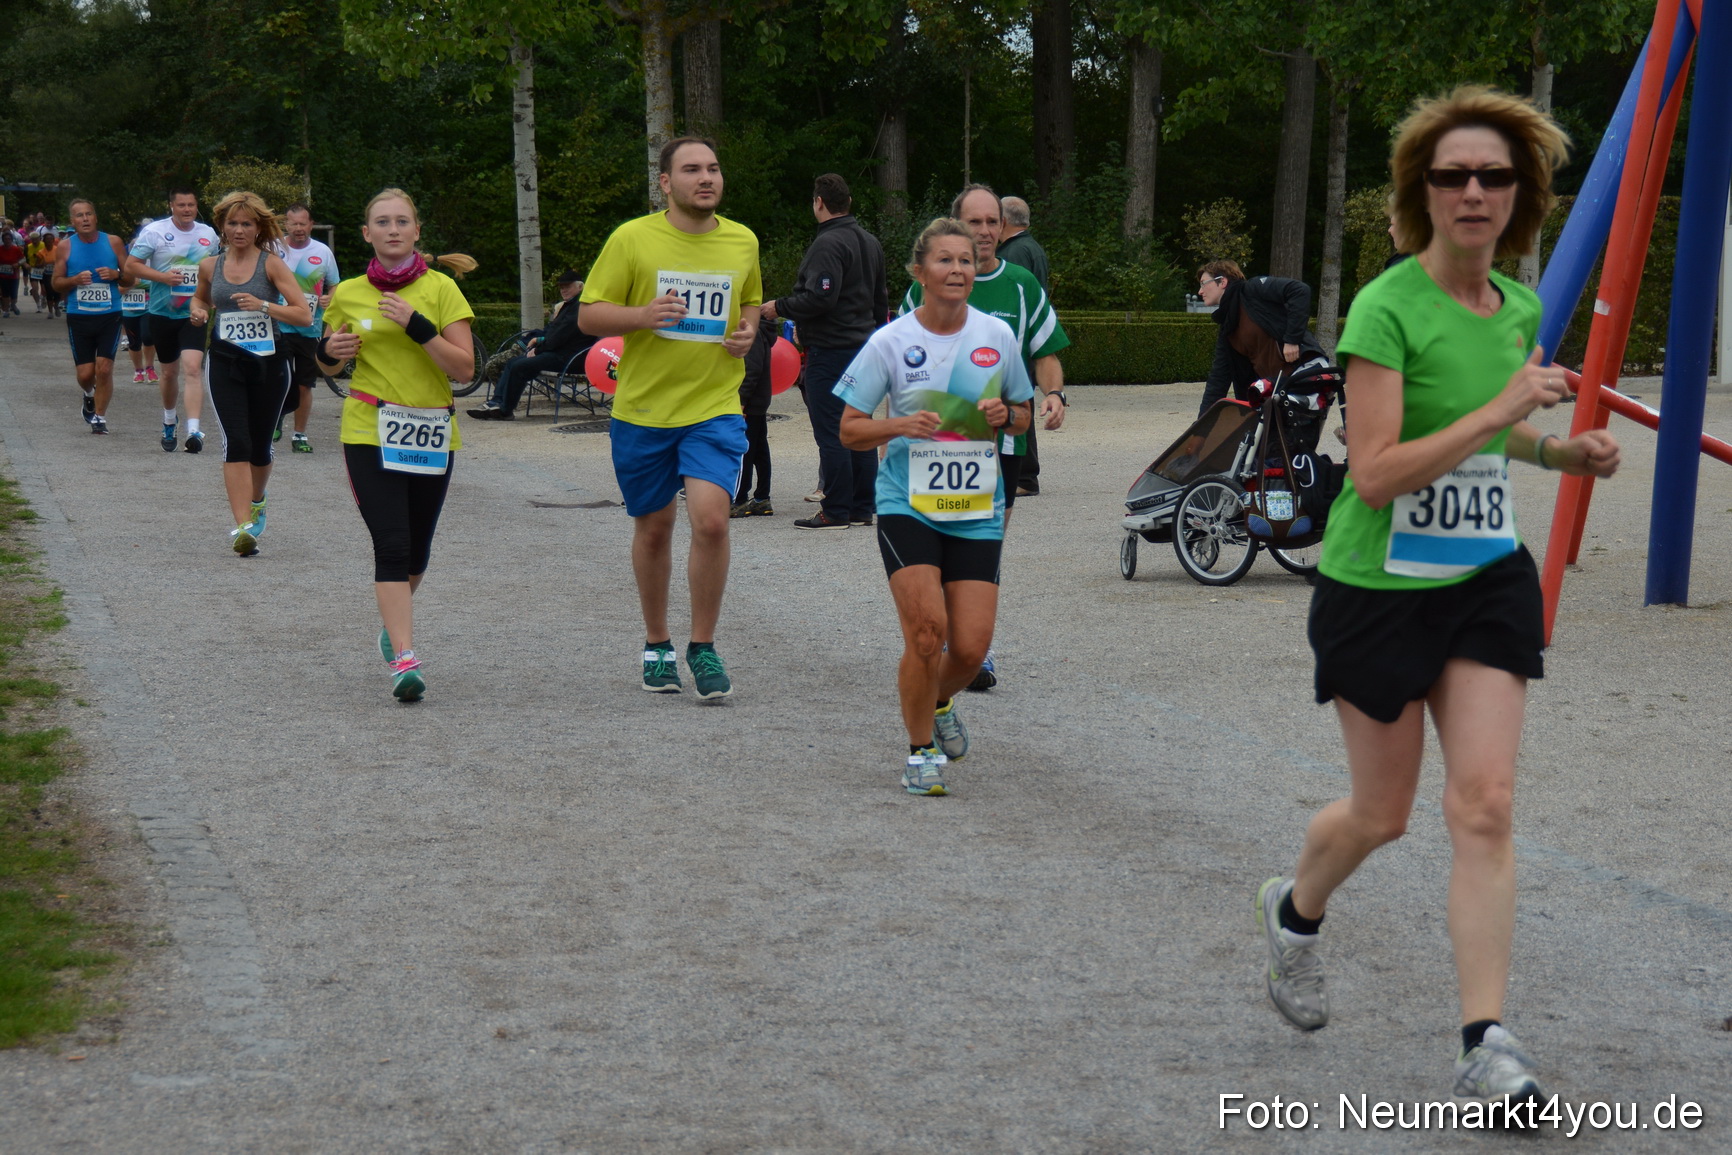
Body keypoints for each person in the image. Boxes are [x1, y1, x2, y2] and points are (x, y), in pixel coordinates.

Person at [1255, 87, 1620, 1111]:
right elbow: (1372, 473)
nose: (1472, 191)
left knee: (1486, 804)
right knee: (1383, 814)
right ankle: (1294, 911)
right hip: (1376, 586)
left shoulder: (1515, 308)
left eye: (1493, 176)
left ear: (1522, 195)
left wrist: (1551, 447)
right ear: (1424, 192)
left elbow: (1480, 427)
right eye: (1452, 175)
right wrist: (1510, 407)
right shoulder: (1384, 306)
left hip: (1481, 579)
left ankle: (1484, 1045)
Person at [837, 218, 1033, 795]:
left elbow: (1021, 412)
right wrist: (901, 424)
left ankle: (942, 699)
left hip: (976, 506)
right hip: (909, 503)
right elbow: (849, 430)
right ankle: (920, 752)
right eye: (945, 261)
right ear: (919, 272)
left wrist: (1008, 417)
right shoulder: (890, 341)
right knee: (927, 634)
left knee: (969, 649)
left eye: (966, 261)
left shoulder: (996, 335)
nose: (957, 270)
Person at [578, 136, 761, 701]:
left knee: (711, 520)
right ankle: (657, 643)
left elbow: (751, 299)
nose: (705, 178)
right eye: (691, 170)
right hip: (644, 410)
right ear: (665, 182)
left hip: (713, 407)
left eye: (712, 168)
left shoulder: (742, 240)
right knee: (654, 528)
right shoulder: (632, 238)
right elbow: (587, 315)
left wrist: (748, 331)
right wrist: (642, 315)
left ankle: (702, 646)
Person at [900, 184, 1070, 690]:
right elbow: (901, 355)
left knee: (982, 546)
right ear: (956, 226)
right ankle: (944, 639)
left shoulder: (1020, 285)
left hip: (1003, 445)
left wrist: (1056, 396)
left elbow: (1046, 351)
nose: (986, 232)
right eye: (974, 222)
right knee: (941, 542)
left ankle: (974, 647)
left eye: (992, 222)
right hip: (938, 441)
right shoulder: (926, 285)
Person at [318, 188, 476, 703]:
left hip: (430, 429)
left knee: (417, 551)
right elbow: (327, 364)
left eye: (401, 221)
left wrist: (418, 327)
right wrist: (330, 352)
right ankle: (405, 658)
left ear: (415, 232)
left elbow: (464, 369)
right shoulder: (347, 293)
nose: (391, 229)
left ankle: (394, 622)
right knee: (390, 544)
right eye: (381, 222)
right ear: (367, 234)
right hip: (369, 428)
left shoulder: (442, 290)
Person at [760, 173, 888, 531]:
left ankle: (835, 510)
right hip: (864, 347)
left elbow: (821, 296)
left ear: (819, 202)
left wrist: (779, 306)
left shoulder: (828, 244)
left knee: (833, 430)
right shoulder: (870, 242)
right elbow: (881, 301)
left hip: (831, 350)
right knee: (860, 425)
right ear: (848, 202)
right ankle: (863, 507)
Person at [186, 192, 311, 555]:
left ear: (258, 228)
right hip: (225, 360)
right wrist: (197, 311)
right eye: (233, 223)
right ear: (222, 227)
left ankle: (257, 499)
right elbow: (200, 297)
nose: (239, 230)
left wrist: (265, 305)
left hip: (270, 362)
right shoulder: (210, 265)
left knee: (260, 446)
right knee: (235, 441)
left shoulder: (271, 265)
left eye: (247, 223)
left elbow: (303, 314)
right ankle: (243, 529)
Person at [126, 189, 219, 453]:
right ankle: (169, 419)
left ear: (196, 206)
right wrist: (163, 277)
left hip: (194, 313)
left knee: (192, 369)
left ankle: (193, 430)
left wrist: (212, 294)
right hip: (161, 312)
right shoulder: (155, 232)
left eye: (191, 205)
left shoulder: (207, 234)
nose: (187, 209)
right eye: (181, 205)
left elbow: (214, 267)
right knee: (169, 372)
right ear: (171, 206)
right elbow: (132, 265)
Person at [1195, 260, 1329, 416]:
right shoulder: (1228, 329)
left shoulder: (1253, 289)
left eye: (1204, 283)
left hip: (1305, 368)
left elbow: (1299, 290)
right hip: (1277, 388)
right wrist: (1200, 431)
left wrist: (1292, 340)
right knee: (1257, 437)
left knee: (1289, 426)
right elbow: (1218, 381)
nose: (1200, 291)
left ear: (1222, 281)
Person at [49, 199, 135, 435]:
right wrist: (74, 280)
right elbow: (56, 283)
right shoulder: (66, 247)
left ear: (96, 217)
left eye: (88, 214)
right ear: (73, 222)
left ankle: (99, 417)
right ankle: (89, 393)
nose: (85, 219)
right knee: (86, 374)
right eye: (79, 215)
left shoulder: (113, 242)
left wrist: (116, 274)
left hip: (111, 314)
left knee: (105, 368)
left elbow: (131, 278)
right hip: (79, 316)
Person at [467, 269, 593, 420]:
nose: (563, 290)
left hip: (572, 358)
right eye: (561, 287)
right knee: (514, 362)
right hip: (561, 353)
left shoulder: (578, 307)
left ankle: (505, 411)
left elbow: (559, 337)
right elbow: (553, 334)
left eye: (567, 286)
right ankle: (497, 402)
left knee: (520, 365)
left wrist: (538, 350)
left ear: (580, 287)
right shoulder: (570, 305)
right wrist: (538, 347)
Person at [996, 195, 1053, 497]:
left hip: (1016, 340)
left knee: (1017, 405)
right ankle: (1025, 474)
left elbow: (1009, 302)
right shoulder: (1033, 248)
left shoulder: (1014, 252)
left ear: (1003, 221)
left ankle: (1024, 475)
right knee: (1022, 402)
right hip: (1028, 337)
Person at [275, 203, 342, 452]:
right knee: (279, 377)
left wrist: (329, 298)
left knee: (305, 384)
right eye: (294, 223)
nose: (299, 228)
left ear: (311, 224)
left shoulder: (323, 252)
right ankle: (276, 417)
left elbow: (335, 285)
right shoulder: (274, 248)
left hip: (309, 328)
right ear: (286, 225)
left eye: (303, 223)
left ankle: (300, 435)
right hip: (279, 325)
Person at [731, 314, 780, 517]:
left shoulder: (754, 331)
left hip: (750, 403)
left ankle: (740, 499)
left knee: (744, 450)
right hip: (757, 400)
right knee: (759, 450)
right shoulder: (760, 330)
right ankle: (762, 498)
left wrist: (741, 401)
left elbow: (751, 369)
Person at [0, 222, 23, 317]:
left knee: (13, 293)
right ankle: (6, 311)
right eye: (5, 239)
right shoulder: (0, 249)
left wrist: (17, 264)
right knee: (5, 293)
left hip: (14, 275)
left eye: (9, 239)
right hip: (2, 275)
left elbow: (23, 259)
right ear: (3, 240)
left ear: (11, 240)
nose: (7, 240)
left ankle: (13, 305)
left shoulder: (16, 249)